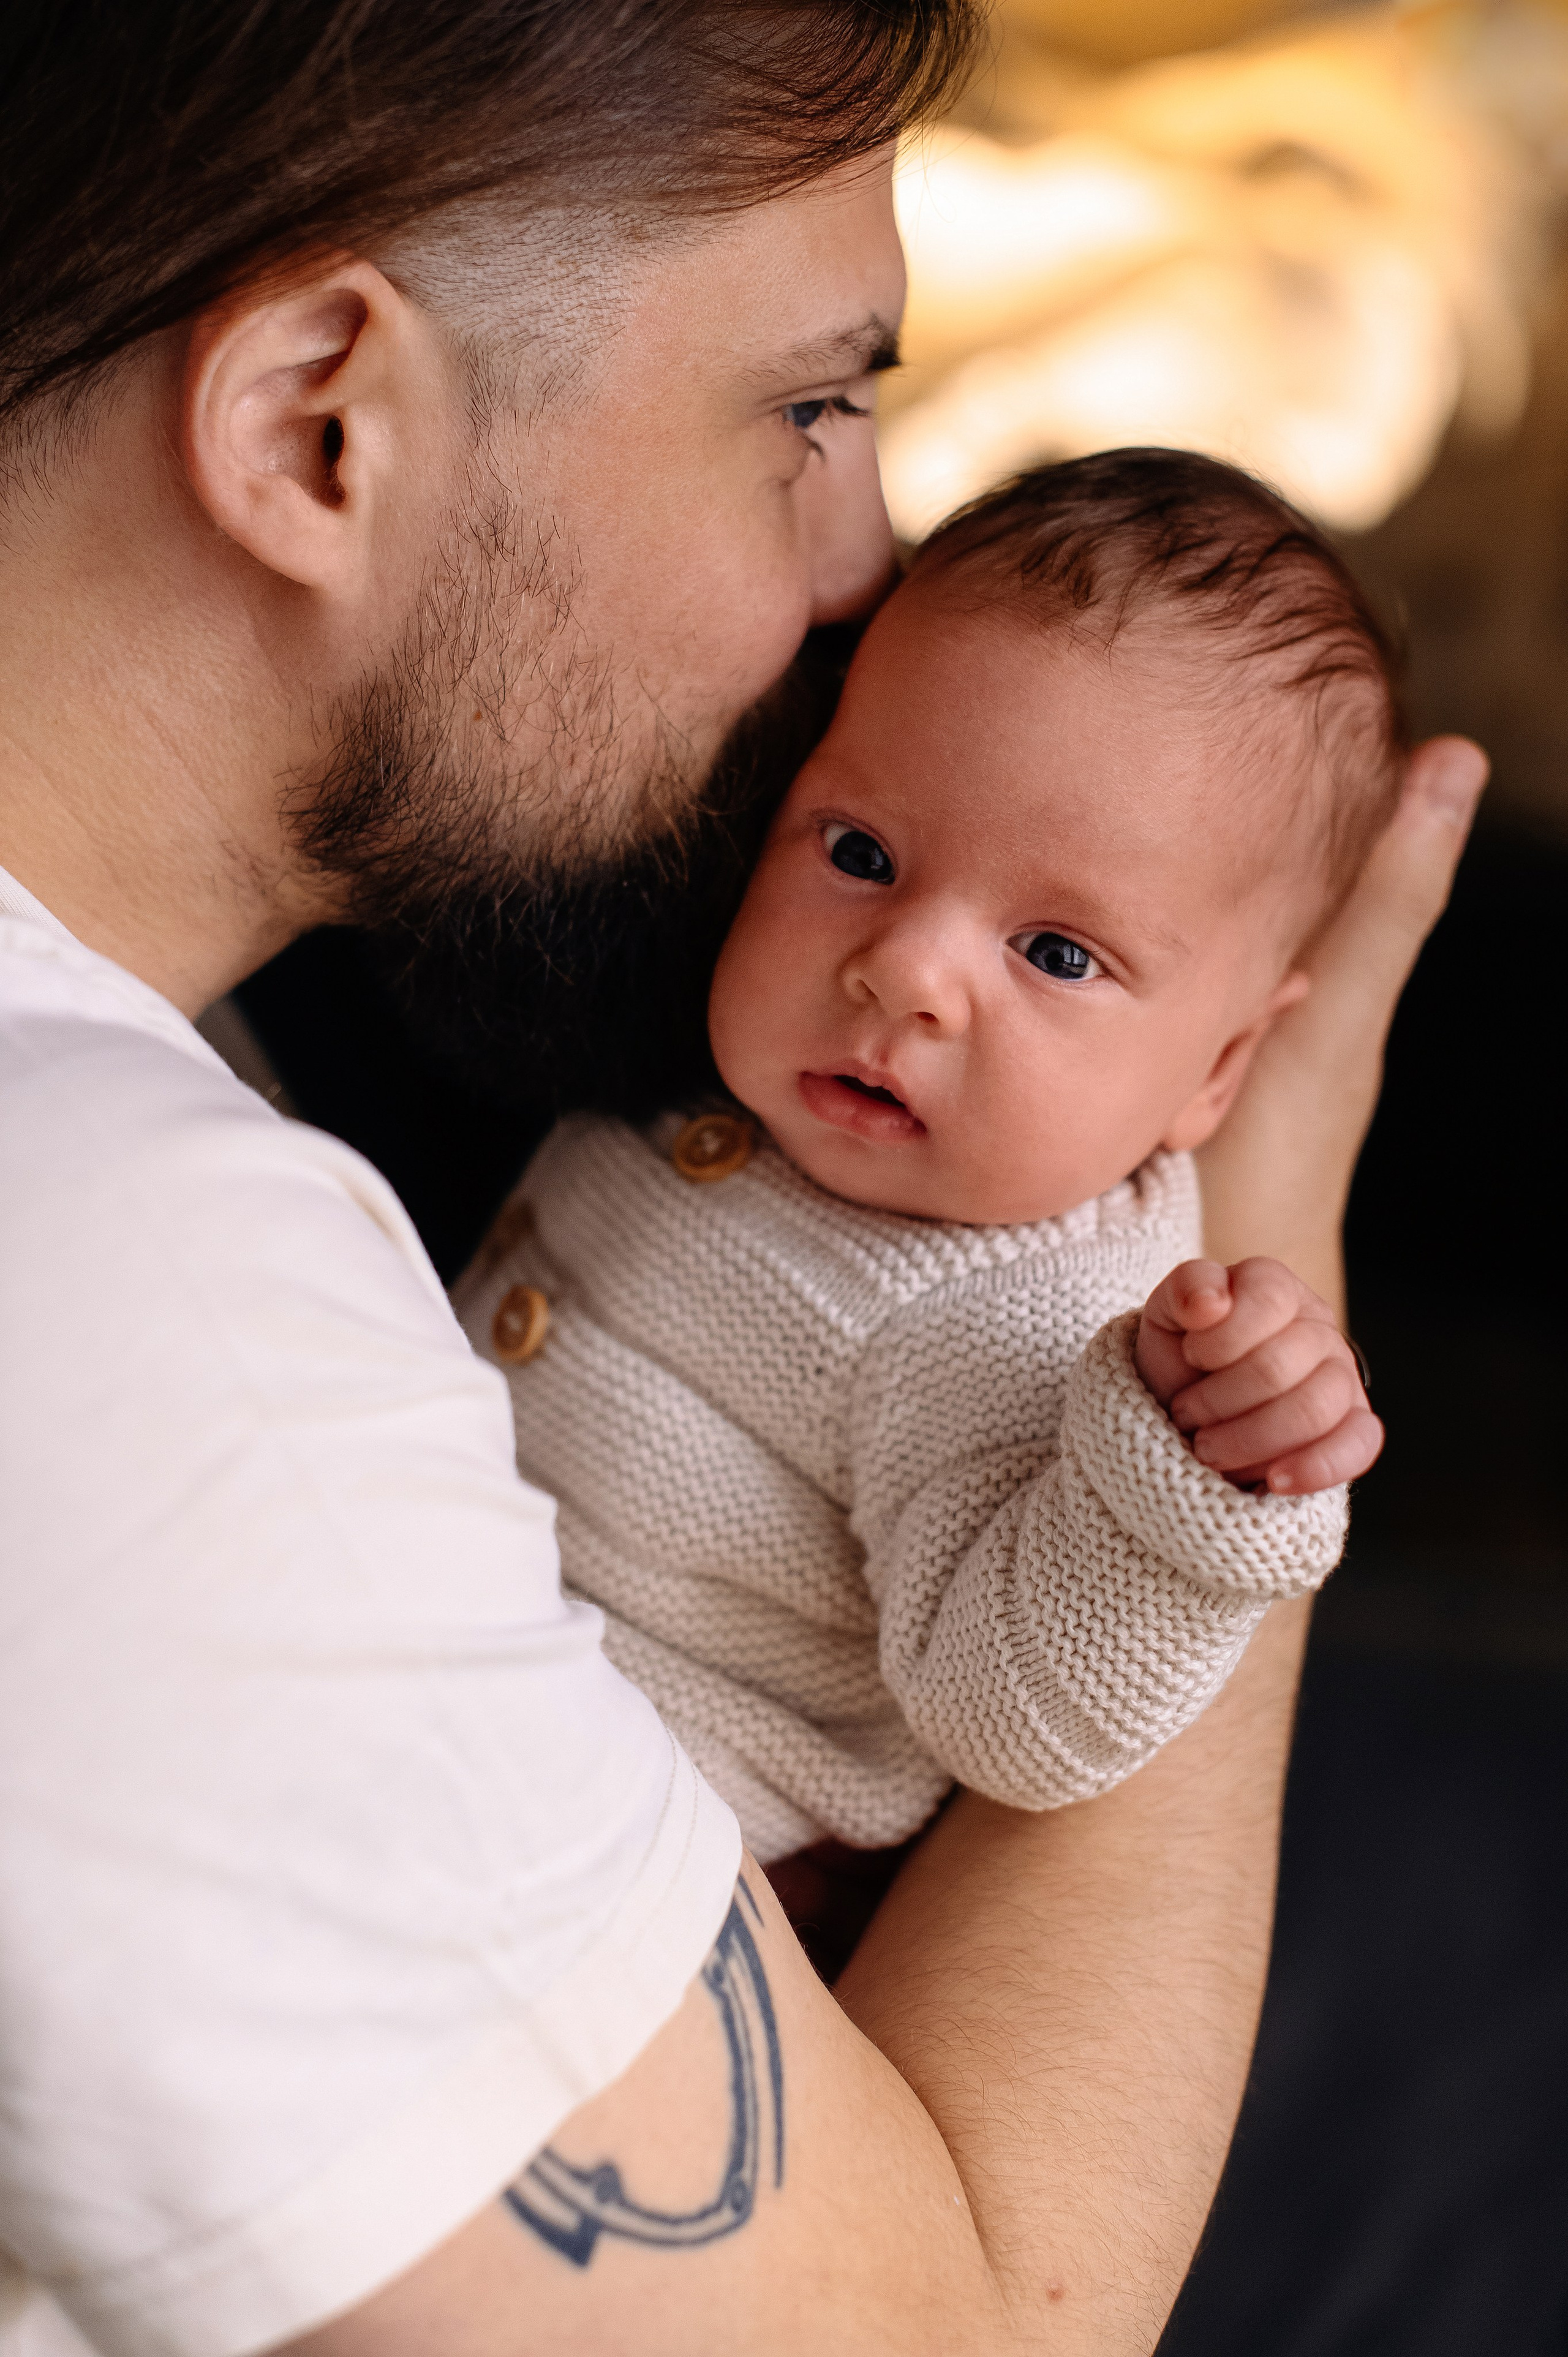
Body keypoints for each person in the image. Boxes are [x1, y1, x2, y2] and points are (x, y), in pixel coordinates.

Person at [0, 7, 1487, 2355]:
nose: (857, 556)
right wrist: (1257, 1207)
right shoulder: (113, 1305)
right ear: (321, 422)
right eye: (808, 405)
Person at [459, 450, 1384, 1871]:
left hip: (581, 1839)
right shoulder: (754, 1079)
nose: (902, 971)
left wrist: (1180, 1493)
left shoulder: (1031, 1331)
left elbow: (1009, 1719)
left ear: (1217, 1069)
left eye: (1057, 953)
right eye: (860, 853)